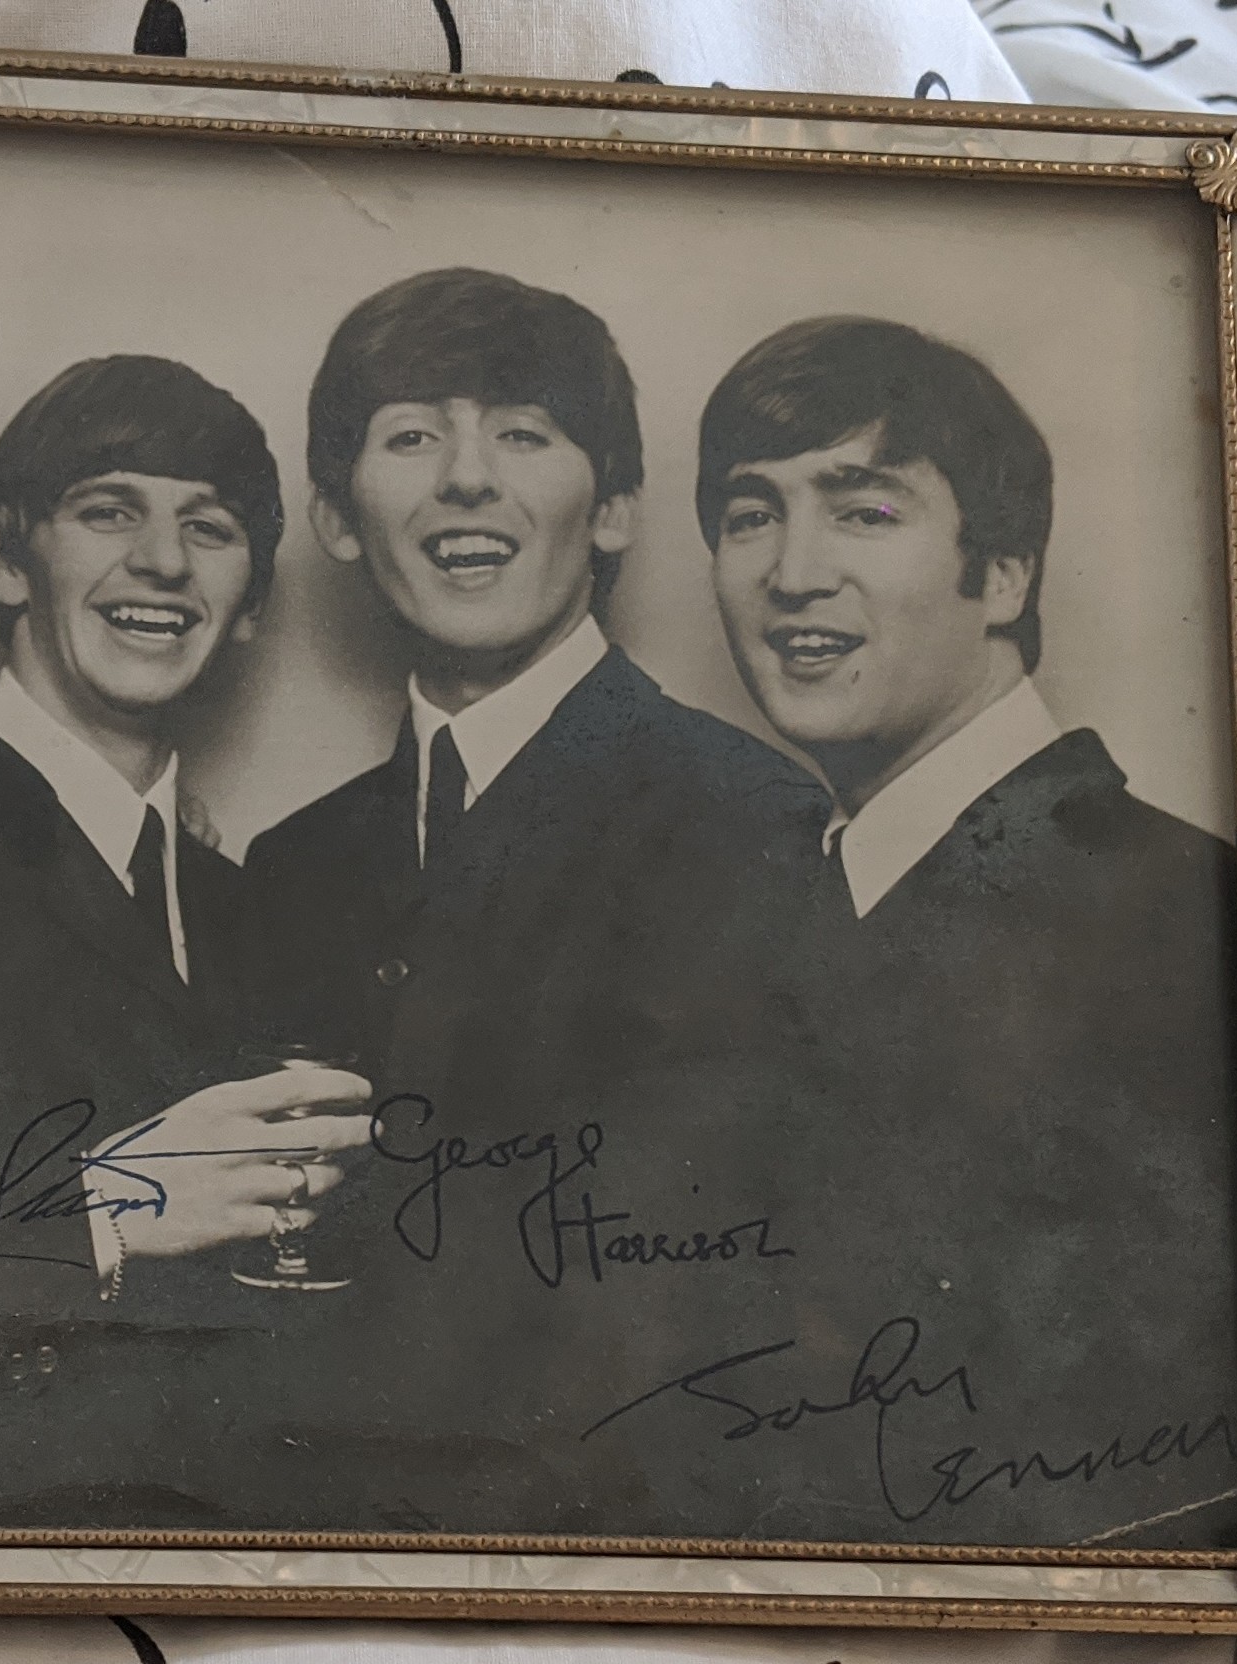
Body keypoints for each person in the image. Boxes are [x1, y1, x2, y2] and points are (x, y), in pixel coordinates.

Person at [238, 268, 822, 1534]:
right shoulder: (292, 865)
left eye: (520, 430)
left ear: (612, 508)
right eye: (409, 436)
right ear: (337, 517)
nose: (463, 477)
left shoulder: (747, 821)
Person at [690, 314, 1237, 1547]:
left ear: (1002, 571)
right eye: (748, 513)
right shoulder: (767, 905)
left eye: (864, 510)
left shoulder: (1178, 917)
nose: (789, 571)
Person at [0, 356, 373, 1525]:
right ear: (8, 557)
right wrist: (105, 1205)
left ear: (252, 604)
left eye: (207, 528)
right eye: (108, 508)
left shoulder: (249, 902)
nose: (162, 560)